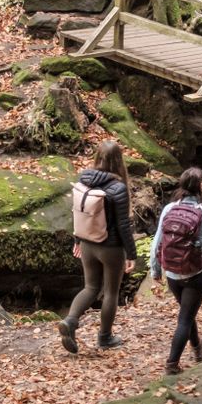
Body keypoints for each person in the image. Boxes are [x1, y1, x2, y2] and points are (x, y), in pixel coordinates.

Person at [148, 167, 202, 375]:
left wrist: (155, 270)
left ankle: (197, 349)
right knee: (185, 318)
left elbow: (157, 242)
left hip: (173, 274)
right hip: (197, 275)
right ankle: (172, 363)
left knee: (188, 312)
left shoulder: (169, 209)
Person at [58, 141, 135, 353]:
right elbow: (123, 225)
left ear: (97, 157)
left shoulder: (84, 179)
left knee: (90, 287)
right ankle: (105, 337)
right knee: (110, 291)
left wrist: (77, 240)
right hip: (110, 247)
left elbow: (78, 212)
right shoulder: (118, 188)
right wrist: (131, 253)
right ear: (119, 161)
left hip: (87, 242)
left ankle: (70, 321)